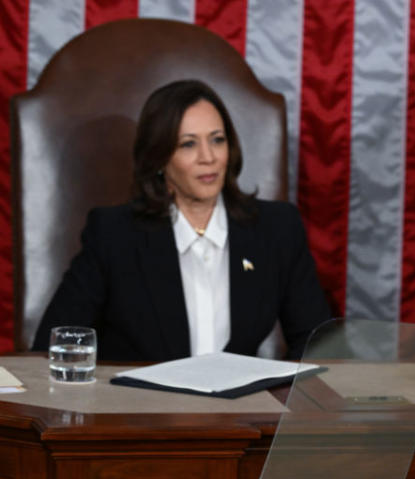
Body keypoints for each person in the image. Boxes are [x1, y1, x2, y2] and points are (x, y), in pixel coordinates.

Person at [33, 79, 330, 361]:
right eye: (188, 144)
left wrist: (277, 402)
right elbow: (53, 347)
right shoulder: (114, 235)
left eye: (217, 140)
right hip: (142, 411)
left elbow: (317, 345)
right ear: (160, 159)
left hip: (240, 411)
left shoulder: (277, 228)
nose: (208, 157)